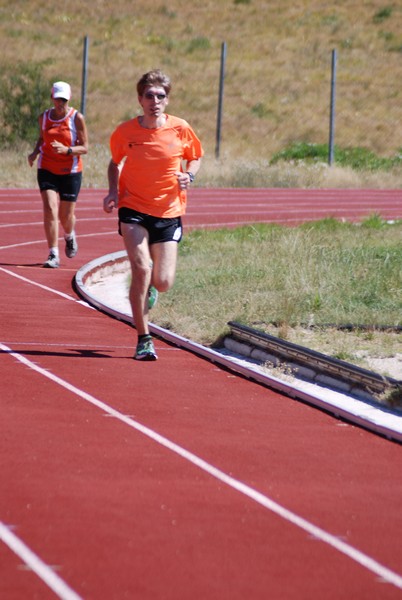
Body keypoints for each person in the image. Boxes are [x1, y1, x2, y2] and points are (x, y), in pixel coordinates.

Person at [103, 69, 203, 361]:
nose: (154, 101)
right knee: (142, 268)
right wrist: (112, 192)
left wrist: (190, 176)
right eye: (149, 95)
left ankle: (149, 290)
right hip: (133, 207)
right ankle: (143, 338)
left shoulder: (180, 128)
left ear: (167, 100)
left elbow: (195, 156)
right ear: (140, 99)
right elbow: (114, 162)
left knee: (162, 281)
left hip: (169, 211)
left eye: (160, 96)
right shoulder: (126, 132)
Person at [28, 81, 88, 268]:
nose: (60, 103)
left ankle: (69, 235)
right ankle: (53, 253)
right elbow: (41, 137)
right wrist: (35, 151)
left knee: (65, 216)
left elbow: (85, 148)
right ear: (52, 98)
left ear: (68, 99)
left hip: (70, 171)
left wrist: (67, 150)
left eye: (63, 99)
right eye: (57, 99)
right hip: (46, 168)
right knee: (50, 209)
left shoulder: (76, 118)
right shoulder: (44, 117)